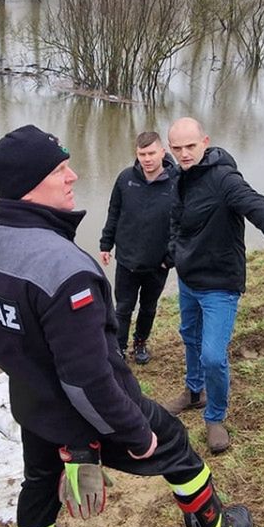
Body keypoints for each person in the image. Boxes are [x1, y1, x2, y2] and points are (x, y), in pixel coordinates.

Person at [0, 124, 253, 527]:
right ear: (29, 186)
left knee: (39, 483)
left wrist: (36, 383)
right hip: (95, 414)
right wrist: (135, 433)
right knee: (175, 445)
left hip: (33, 405)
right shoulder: (66, 271)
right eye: (60, 170)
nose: (73, 176)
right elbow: (88, 380)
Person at [164, 118, 264, 454]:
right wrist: (174, 252)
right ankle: (193, 392)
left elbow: (260, 208)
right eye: (177, 148)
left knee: (212, 355)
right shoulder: (179, 175)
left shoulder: (225, 179)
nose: (184, 154)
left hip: (220, 284)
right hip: (189, 279)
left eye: (190, 146)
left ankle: (215, 416)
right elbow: (176, 221)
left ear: (205, 141)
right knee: (190, 336)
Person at [99, 131, 177, 365]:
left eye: (152, 153)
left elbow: (183, 224)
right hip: (127, 260)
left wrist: (170, 258)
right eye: (142, 154)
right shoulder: (125, 179)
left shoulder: (178, 182)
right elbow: (114, 212)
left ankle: (140, 342)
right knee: (123, 308)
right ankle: (119, 348)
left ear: (162, 152)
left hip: (158, 263)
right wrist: (106, 244)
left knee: (148, 308)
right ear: (137, 154)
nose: (147, 159)